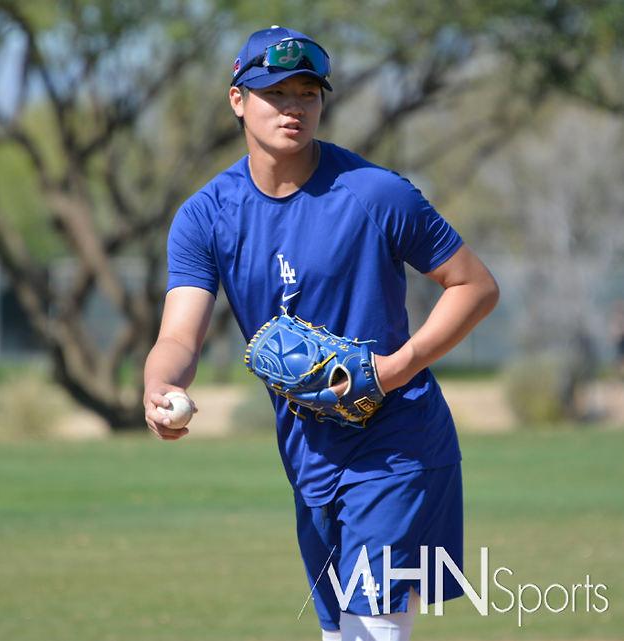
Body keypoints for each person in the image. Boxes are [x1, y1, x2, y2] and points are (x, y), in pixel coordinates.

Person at [144, 26, 500, 641]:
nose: (293, 107)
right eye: (274, 92)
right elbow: (180, 334)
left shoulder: (374, 193)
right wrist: (160, 386)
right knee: (340, 634)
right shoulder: (206, 216)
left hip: (397, 441)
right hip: (310, 454)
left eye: (307, 93)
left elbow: (475, 286)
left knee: (373, 631)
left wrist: (397, 366)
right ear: (237, 100)